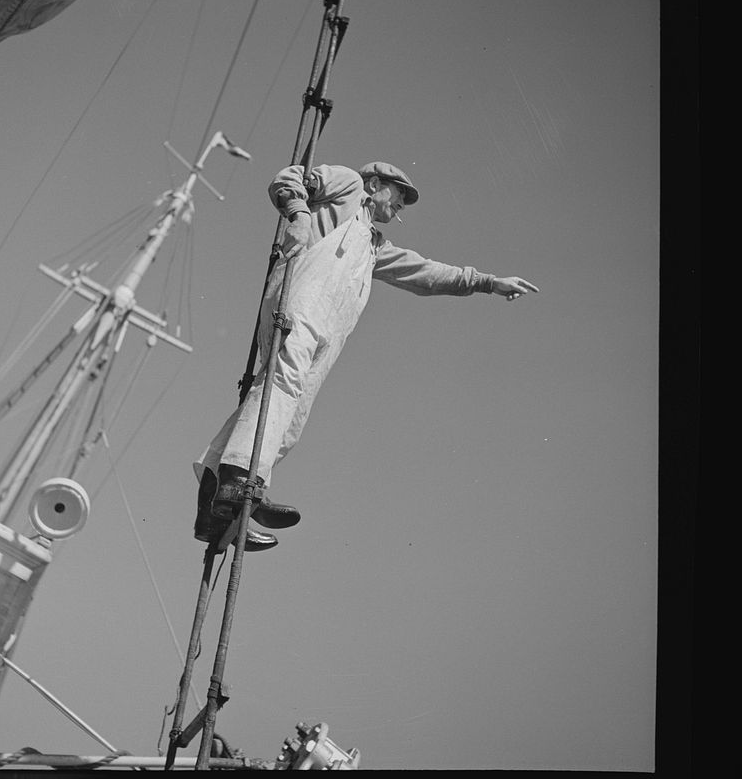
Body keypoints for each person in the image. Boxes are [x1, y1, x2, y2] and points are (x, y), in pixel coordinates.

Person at [193, 161, 540, 552]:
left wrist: (486, 283)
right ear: (376, 184)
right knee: (282, 384)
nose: (401, 207)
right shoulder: (349, 186)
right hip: (300, 300)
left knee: (291, 415)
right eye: (399, 195)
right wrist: (299, 216)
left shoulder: (375, 245)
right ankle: (241, 479)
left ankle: (215, 503)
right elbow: (289, 177)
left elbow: (425, 273)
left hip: (327, 328)